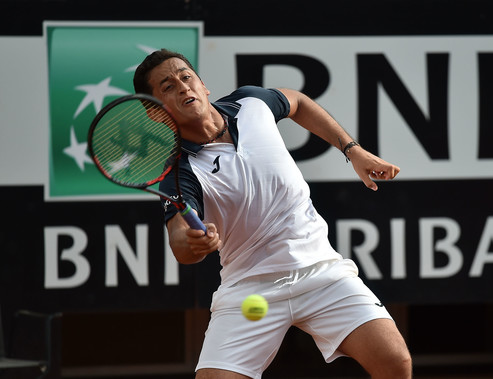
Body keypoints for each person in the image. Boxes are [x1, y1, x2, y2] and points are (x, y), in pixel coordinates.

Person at [133, 49, 412, 379]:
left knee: (395, 361)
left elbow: (298, 102)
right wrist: (193, 242)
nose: (182, 87)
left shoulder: (250, 104)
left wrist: (353, 151)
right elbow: (179, 240)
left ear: (203, 85)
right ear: (156, 114)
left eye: (186, 76)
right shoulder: (179, 172)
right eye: (167, 86)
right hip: (248, 287)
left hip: (320, 270)